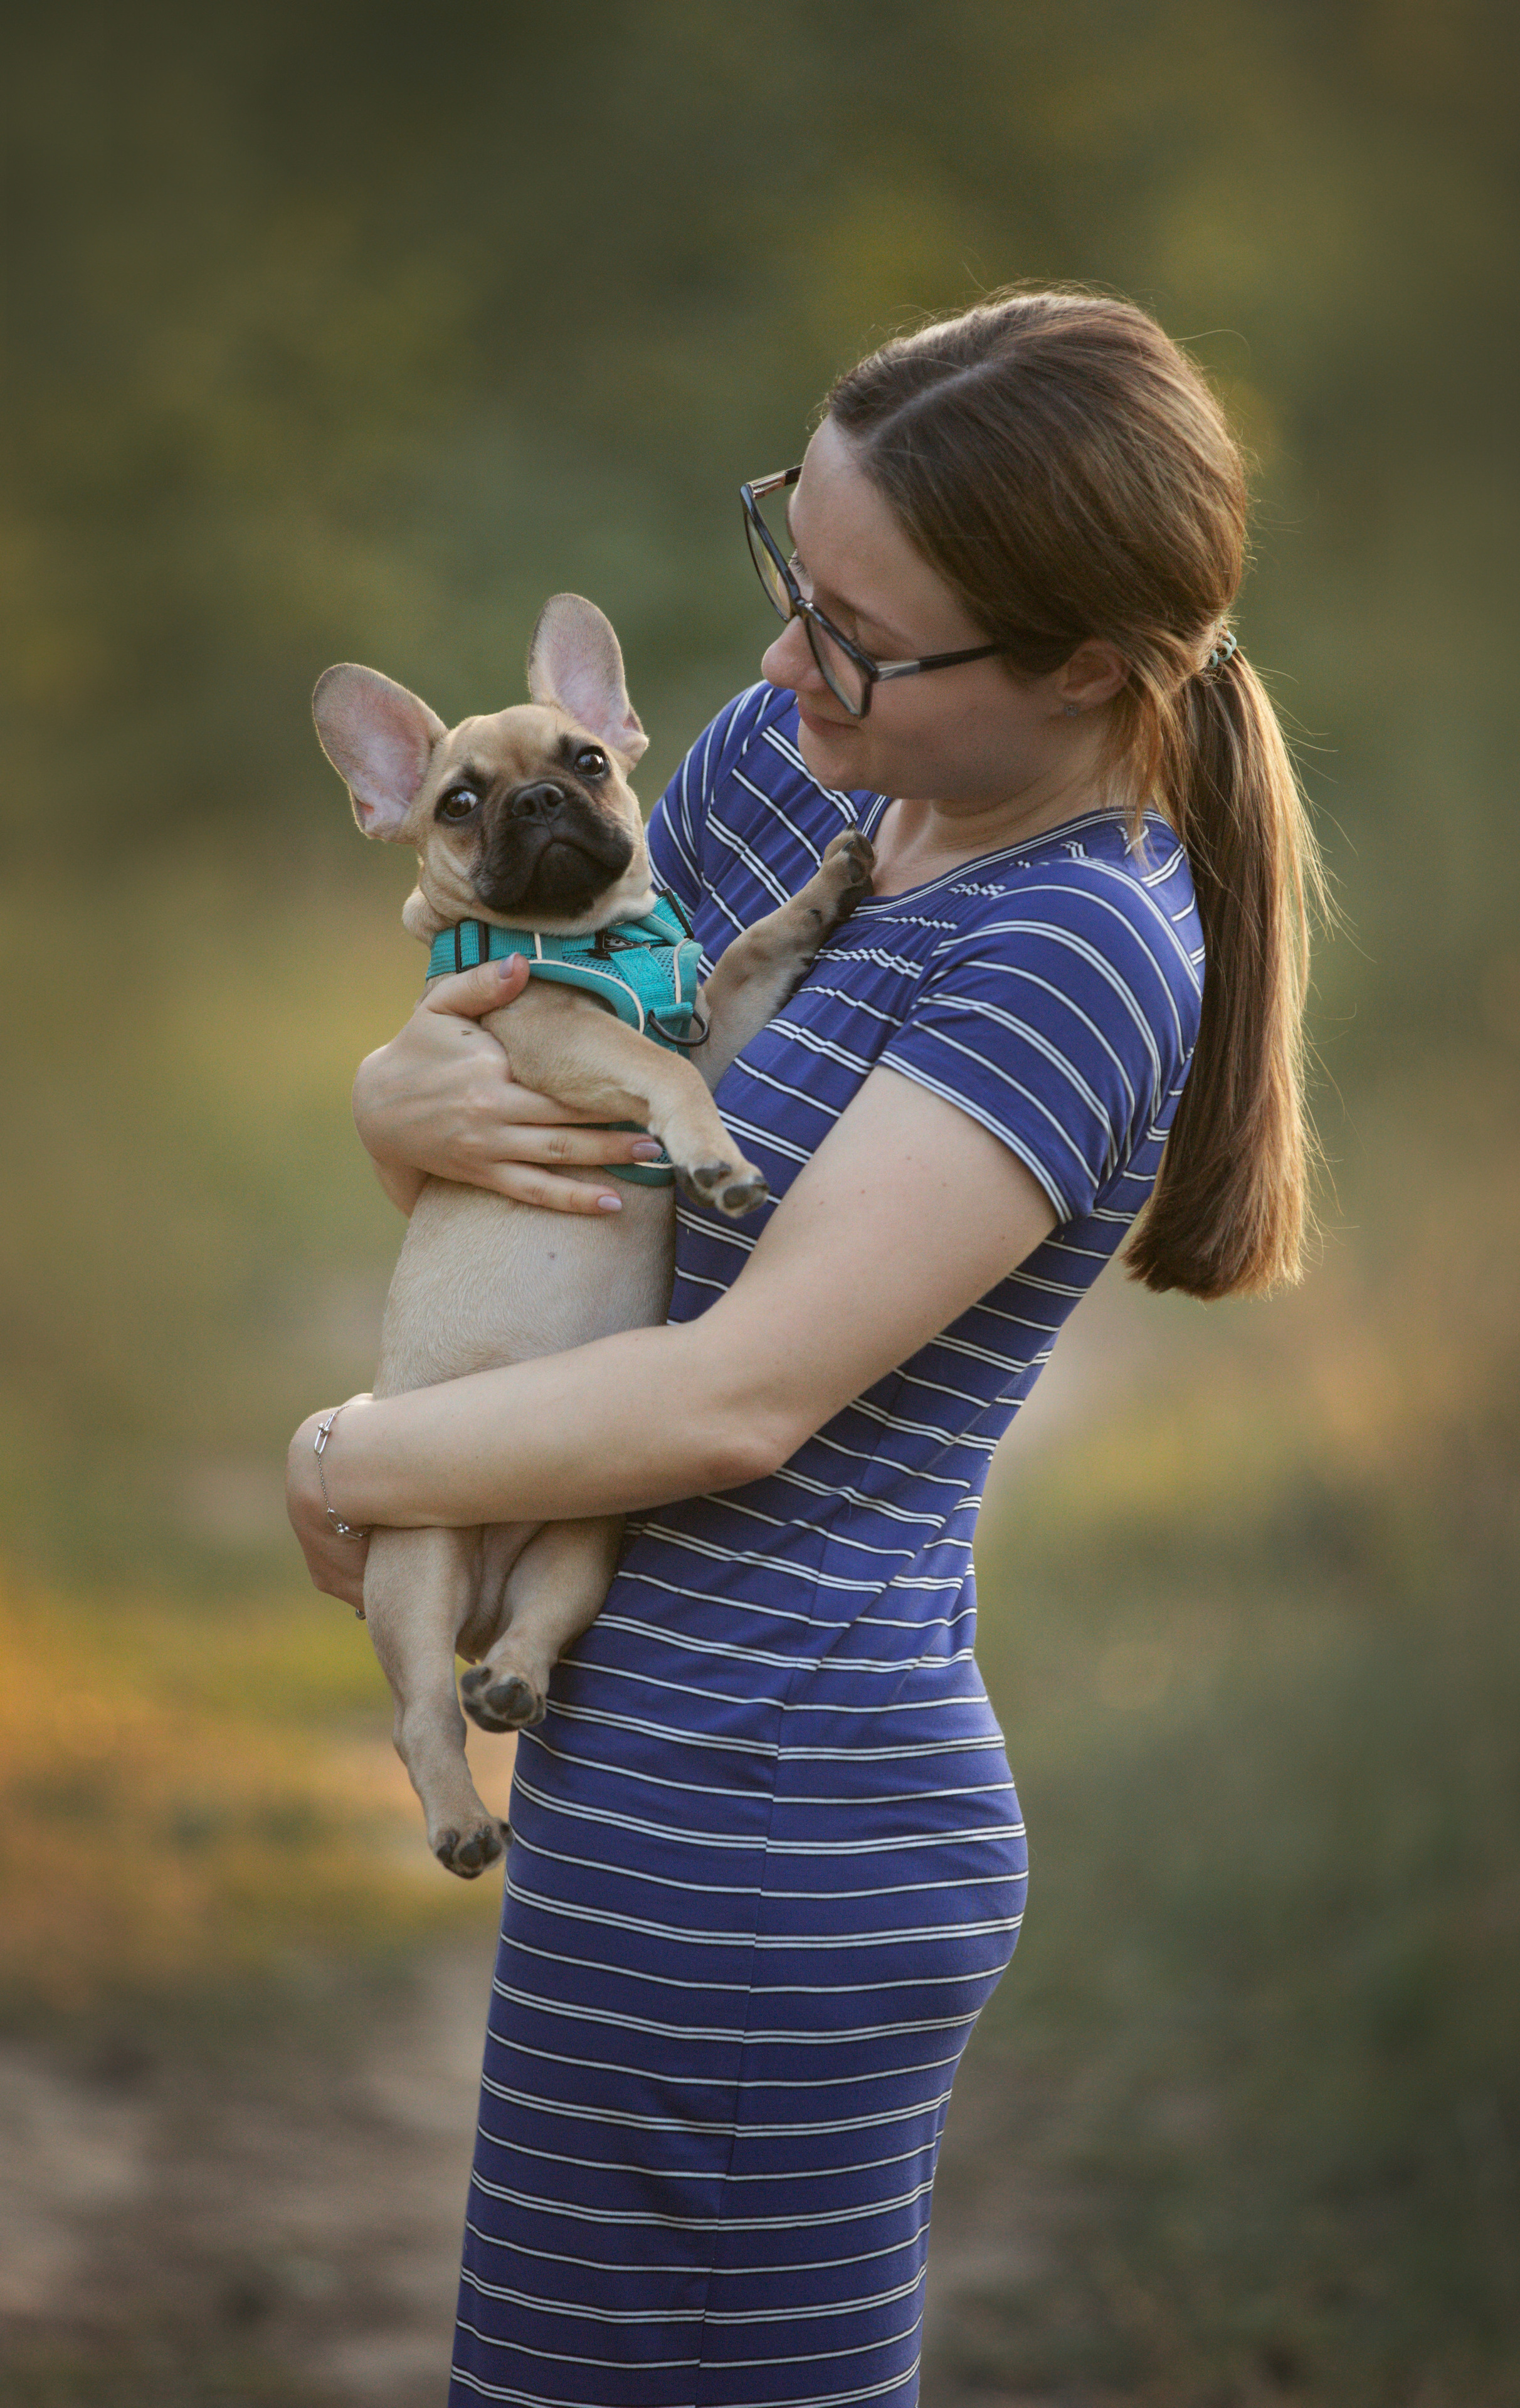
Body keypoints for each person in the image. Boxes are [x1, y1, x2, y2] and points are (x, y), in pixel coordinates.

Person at [287, 288, 1321, 2408]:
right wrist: (397, 1105)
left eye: (854, 633)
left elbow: (740, 1395)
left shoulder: (1071, 949)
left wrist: (342, 1462)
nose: (777, 666)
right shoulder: (798, 764)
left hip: (776, 1836)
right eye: (791, 577)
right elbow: (564, 1114)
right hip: (634, 1791)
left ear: (1085, 667)